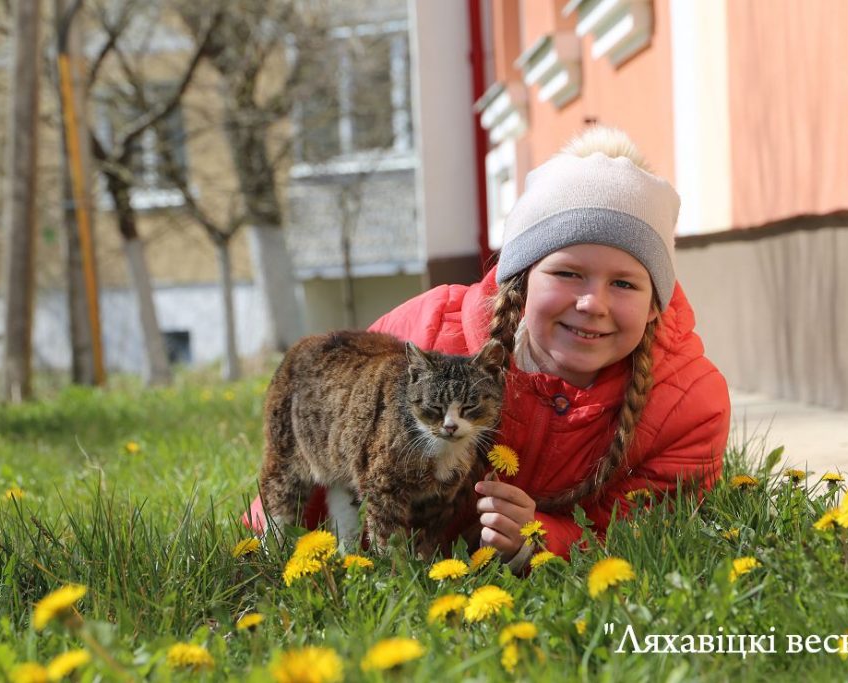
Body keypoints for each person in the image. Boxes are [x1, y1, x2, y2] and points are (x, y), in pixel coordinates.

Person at [247, 127, 731, 570]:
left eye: (624, 283)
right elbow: (314, 449)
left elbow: (649, 537)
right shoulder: (424, 336)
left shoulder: (688, 404)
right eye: (567, 273)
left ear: (655, 304)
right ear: (521, 279)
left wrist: (543, 538)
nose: (591, 304)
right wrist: (270, 543)